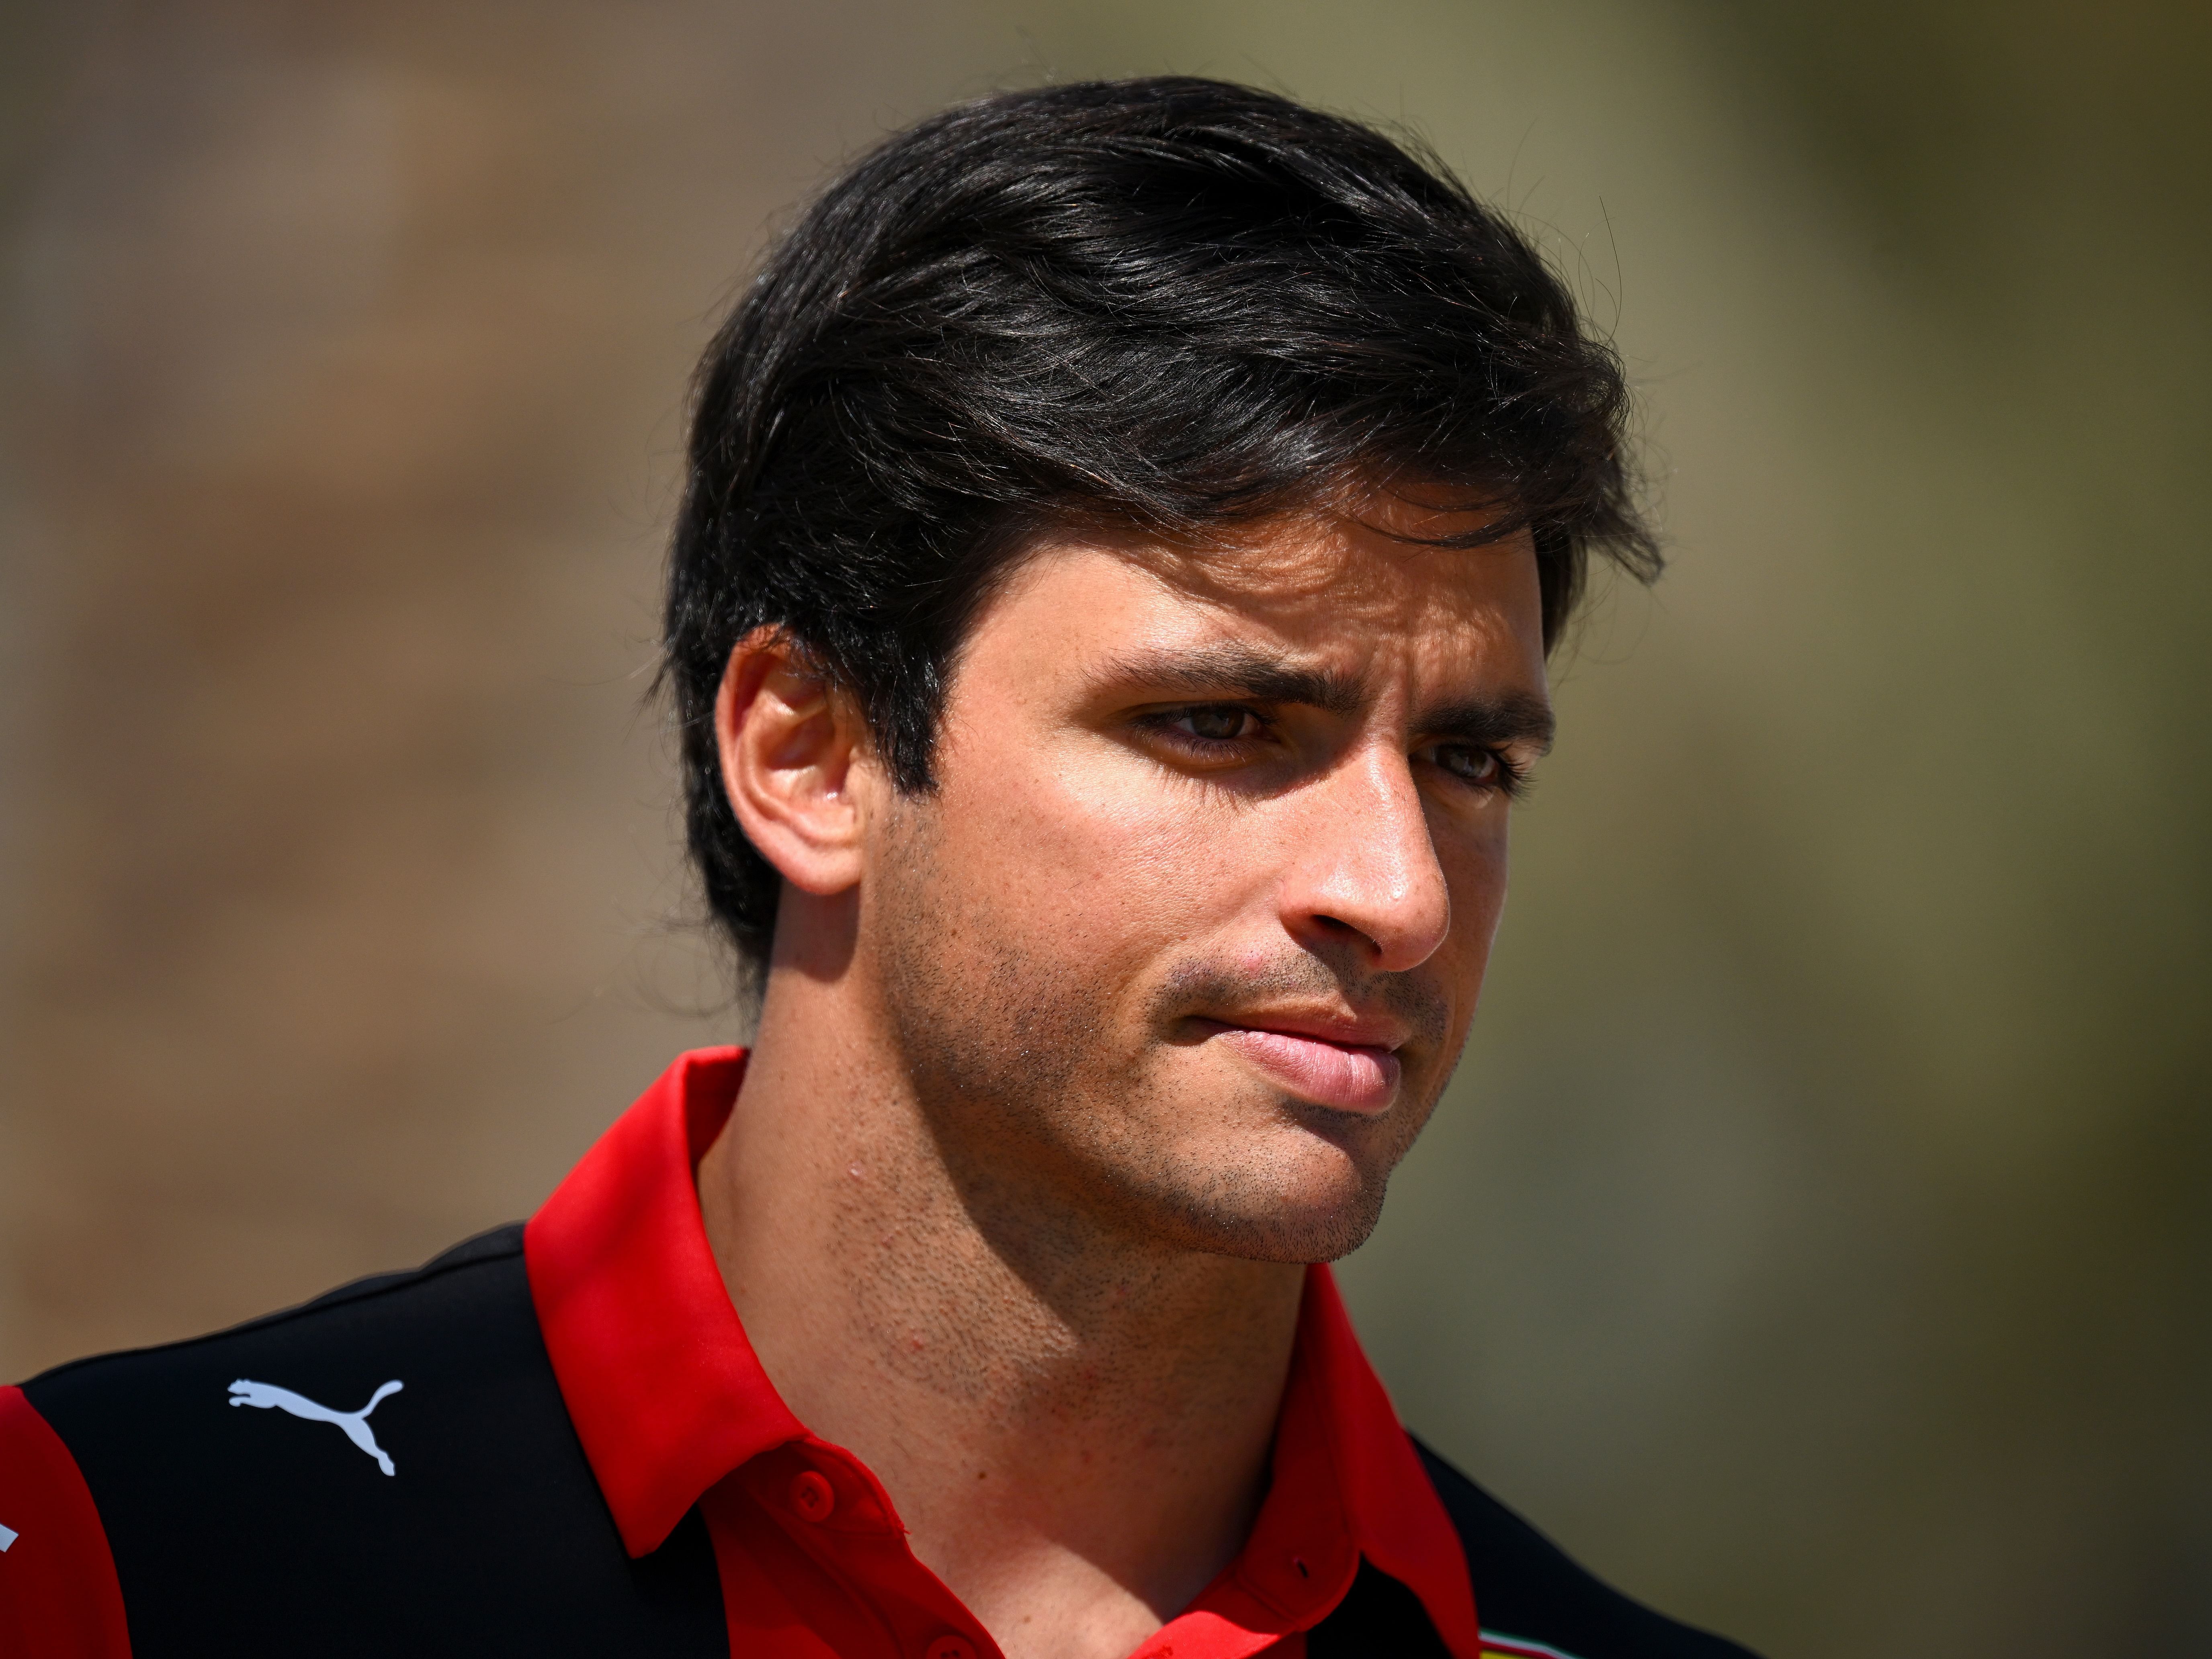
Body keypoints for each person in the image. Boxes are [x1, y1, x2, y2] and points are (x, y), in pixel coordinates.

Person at [0, 78, 1760, 1659]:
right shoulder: (126, 1566)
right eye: (1223, 723)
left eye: (1467, 762)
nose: (1402, 893)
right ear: (807, 755)